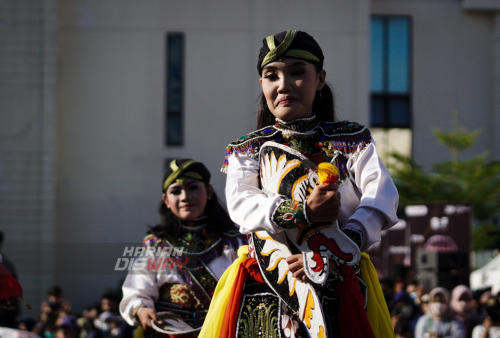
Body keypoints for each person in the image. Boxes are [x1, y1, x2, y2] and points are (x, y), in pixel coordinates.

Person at [201, 30, 399, 338]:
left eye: (297, 73)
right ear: (262, 84)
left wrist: (337, 248)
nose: (283, 85)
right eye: (272, 76)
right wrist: (303, 210)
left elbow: (381, 197)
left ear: (320, 78)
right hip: (267, 284)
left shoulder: (350, 139)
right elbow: (241, 204)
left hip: (338, 278)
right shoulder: (247, 148)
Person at [119, 159, 246, 337]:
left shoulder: (236, 242)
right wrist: (141, 310)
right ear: (166, 200)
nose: (185, 196)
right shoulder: (155, 245)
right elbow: (137, 290)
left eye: (193, 187)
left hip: (222, 331)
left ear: (209, 191)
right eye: (176, 191)